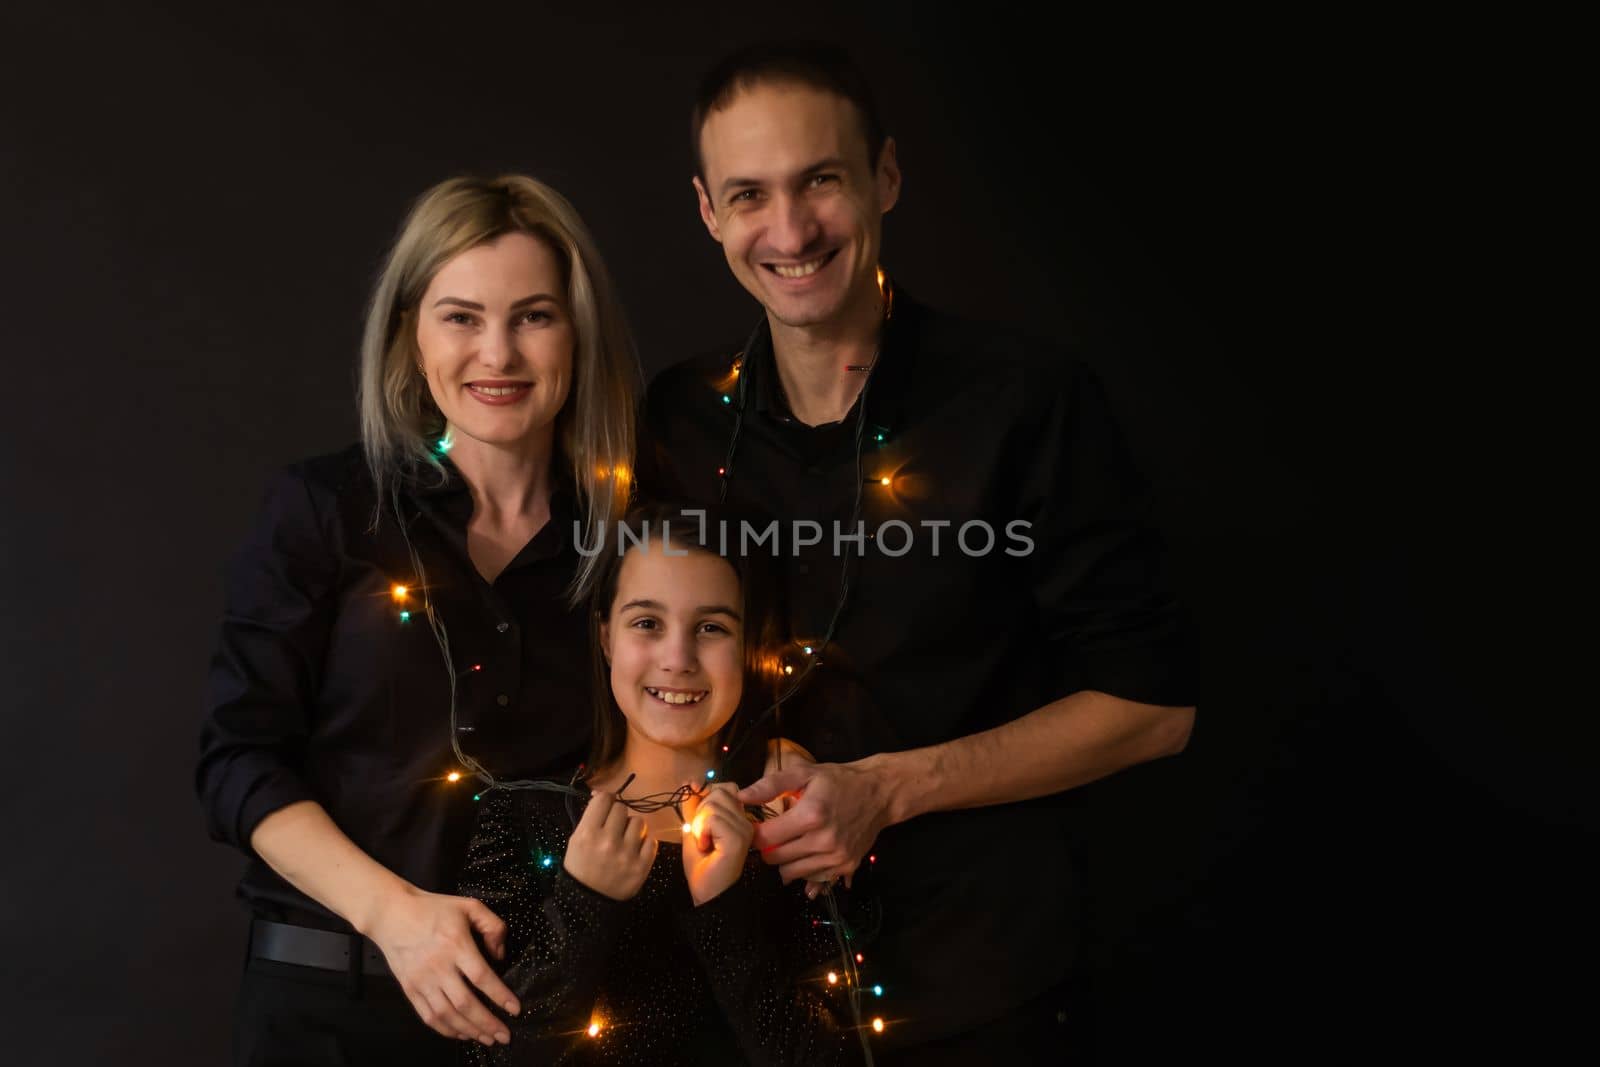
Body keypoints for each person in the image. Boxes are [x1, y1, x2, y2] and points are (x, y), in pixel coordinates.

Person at [636, 43, 1198, 1063]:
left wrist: (887, 787)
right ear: (709, 212)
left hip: (984, 989)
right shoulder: (676, 418)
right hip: (745, 992)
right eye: (749, 195)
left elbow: (1153, 709)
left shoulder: (1025, 399)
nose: (791, 229)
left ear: (885, 176)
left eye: (820, 180)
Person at [196, 174, 640, 1064]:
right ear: (410, 332)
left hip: (541, 1017)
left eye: (534, 316)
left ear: (579, 332)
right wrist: (396, 918)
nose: (499, 354)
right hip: (327, 1006)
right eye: (462, 317)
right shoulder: (327, 508)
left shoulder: (628, 543)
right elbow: (238, 761)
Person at [456, 502, 872, 1066]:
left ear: (749, 648)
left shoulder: (796, 824)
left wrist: (722, 908)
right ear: (606, 638)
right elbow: (487, 1057)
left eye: (711, 627)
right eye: (647, 623)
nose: (677, 659)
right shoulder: (522, 814)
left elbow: (835, 1058)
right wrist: (583, 901)